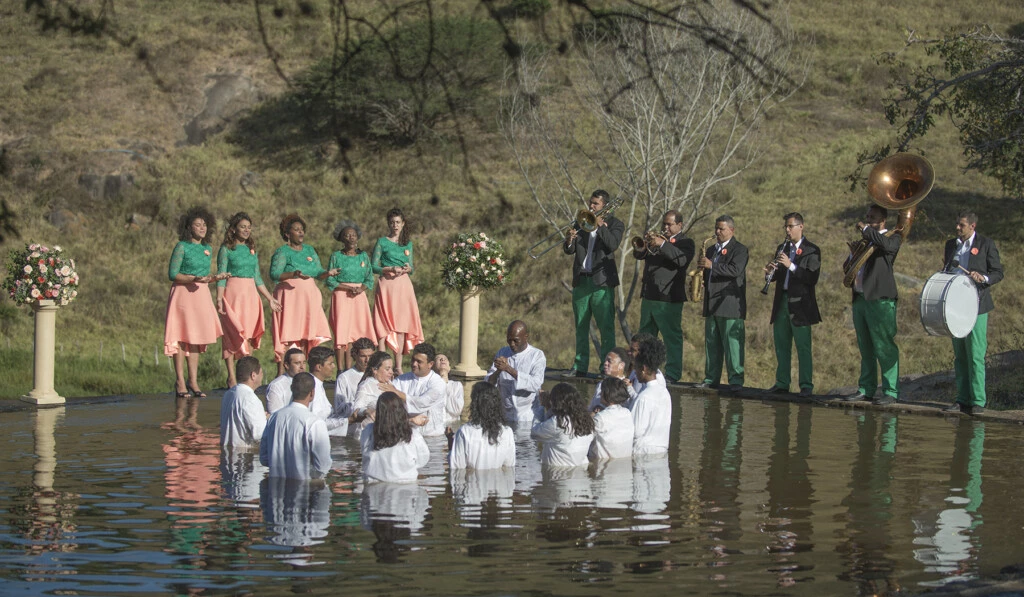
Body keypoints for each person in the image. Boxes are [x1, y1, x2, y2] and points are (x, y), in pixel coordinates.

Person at [941, 211, 1003, 416]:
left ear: (972, 226)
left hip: (977, 306)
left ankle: (977, 401)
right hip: (954, 306)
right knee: (960, 356)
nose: (957, 228)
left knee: (975, 355)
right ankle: (962, 399)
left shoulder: (986, 244)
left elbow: (997, 272)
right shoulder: (952, 245)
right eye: (957, 224)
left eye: (962, 225)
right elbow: (946, 268)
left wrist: (983, 278)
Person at [164, 206, 228, 399]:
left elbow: (204, 277)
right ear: (189, 227)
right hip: (183, 294)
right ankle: (180, 381)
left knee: (195, 338)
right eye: (197, 224)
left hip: (201, 294)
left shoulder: (207, 249)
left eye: (204, 224)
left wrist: (216, 278)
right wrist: (192, 279)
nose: (202, 227)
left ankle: (193, 380)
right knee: (182, 336)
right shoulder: (181, 246)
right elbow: (173, 274)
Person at [562, 190, 624, 377]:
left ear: (604, 205)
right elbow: (569, 250)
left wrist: (600, 228)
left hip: (602, 282)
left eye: (596, 204)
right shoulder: (582, 223)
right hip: (582, 280)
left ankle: (607, 368)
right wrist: (569, 240)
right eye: (591, 203)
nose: (591, 207)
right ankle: (580, 366)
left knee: (606, 328)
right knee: (581, 326)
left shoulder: (615, 224)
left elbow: (613, 244)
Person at [843, 205, 901, 405]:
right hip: (860, 299)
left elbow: (889, 247)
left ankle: (891, 390)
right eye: (867, 217)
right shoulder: (865, 241)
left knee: (884, 346)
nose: (868, 220)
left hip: (880, 300)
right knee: (865, 346)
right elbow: (847, 268)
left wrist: (867, 231)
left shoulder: (893, 237)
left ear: (883, 220)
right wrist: (853, 255)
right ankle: (866, 388)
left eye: (873, 217)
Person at [216, 212, 282, 388]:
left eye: (249, 227)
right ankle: (231, 377)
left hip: (250, 295)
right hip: (233, 293)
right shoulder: (226, 249)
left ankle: (246, 377)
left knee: (249, 335)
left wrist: (269, 298)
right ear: (234, 229)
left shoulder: (251, 250)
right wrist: (219, 297)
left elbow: (257, 277)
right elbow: (221, 275)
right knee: (232, 333)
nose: (246, 230)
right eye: (243, 226)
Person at [269, 214, 338, 376]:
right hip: (290, 299)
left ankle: (308, 374)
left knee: (308, 336)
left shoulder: (309, 250)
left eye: (302, 230)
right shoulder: (282, 251)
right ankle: (282, 375)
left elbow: (318, 272)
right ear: (287, 234)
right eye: (296, 230)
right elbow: (274, 274)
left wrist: (328, 273)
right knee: (289, 335)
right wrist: (293, 273)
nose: (301, 233)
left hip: (309, 299)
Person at [632, 210, 695, 383]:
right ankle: (643, 370)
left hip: (669, 298)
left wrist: (662, 245)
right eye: (664, 224)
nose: (665, 227)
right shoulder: (658, 240)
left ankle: (673, 374)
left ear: (679, 225)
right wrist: (644, 244)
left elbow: (681, 260)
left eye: (669, 224)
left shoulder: (686, 242)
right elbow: (638, 254)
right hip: (649, 295)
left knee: (671, 337)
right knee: (645, 337)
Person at [764, 213, 821, 397]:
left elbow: (811, 278)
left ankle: (806, 385)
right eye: (785, 227)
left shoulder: (812, 250)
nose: (787, 230)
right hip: (782, 302)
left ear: (801, 226)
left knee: (803, 347)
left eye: (790, 226)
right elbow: (780, 276)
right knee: (782, 345)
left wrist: (791, 266)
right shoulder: (782, 247)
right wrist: (770, 274)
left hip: (801, 305)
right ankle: (782, 382)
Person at [696, 215, 748, 390]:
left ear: (731, 230)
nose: (717, 232)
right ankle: (711, 378)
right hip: (712, 303)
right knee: (712, 345)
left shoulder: (740, 250)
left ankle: (735, 380)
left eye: (721, 229)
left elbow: (735, 270)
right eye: (716, 228)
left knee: (733, 345)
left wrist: (712, 266)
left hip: (730, 304)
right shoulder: (710, 250)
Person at [371, 207, 424, 374]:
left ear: (403, 224)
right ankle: (381, 363)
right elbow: (374, 266)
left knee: (400, 326)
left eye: (398, 222)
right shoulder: (382, 242)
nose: (395, 225)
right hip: (387, 284)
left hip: (403, 286)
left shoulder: (407, 243)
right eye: (392, 222)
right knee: (383, 325)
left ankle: (398, 366)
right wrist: (389, 269)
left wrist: (409, 268)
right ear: (388, 223)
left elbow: (412, 267)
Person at [260, 372, 332, 479]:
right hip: (304, 489)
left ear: (291, 389)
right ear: (312, 393)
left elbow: (264, 458)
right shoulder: (315, 422)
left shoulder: (273, 418)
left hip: (275, 490)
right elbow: (323, 466)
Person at [326, 221, 375, 372]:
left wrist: (361, 289)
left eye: (353, 235)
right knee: (342, 331)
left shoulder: (363, 256)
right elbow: (330, 279)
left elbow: (370, 277)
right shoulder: (336, 256)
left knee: (358, 331)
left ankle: (356, 368)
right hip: (342, 295)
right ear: (342, 239)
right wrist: (347, 287)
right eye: (347, 235)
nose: (351, 238)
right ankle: (340, 369)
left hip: (359, 296)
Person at [486, 320, 547, 426]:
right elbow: (488, 383)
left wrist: (508, 369)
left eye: (516, 340)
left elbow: (535, 384)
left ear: (526, 337)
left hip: (528, 418)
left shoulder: (537, 355)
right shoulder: (502, 352)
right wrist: (499, 370)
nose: (512, 344)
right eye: (509, 340)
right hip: (505, 417)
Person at [361, 392, 430, 483]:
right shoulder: (413, 434)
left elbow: (364, 451)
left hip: (374, 483)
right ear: (401, 410)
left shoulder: (369, 430)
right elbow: (423, 459)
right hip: (406, 483)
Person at [447, 383, 515, 470]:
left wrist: (451, 445)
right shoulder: (507, 432)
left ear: (474, 404)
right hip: (498, 482)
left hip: (472, 482)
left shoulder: (465, 432)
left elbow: (457, 469)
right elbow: (509, 468)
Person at [531, 382, 595, 468]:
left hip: (558, 474)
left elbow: (535, 432)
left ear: (557, 402)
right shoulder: (588, 420)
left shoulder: (558, 422)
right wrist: (548, 406)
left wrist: (541, 406)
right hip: (581, 472)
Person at [392, 343, 447, 437]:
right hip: (407, 435)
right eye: (413, 360)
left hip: (433, 437)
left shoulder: (438, 383)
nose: (414, 364)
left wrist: (397, 393)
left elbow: (423, 402)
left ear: (430, 364)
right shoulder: (401, 380)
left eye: (419, 361)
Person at [629, 336, 671, 456]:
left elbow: (636, 432)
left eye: (636, 368)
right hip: (662, 452)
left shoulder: (644, 397)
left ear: (643, 369)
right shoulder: (665, 393)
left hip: (642, 453)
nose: (635, 372)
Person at [350, 351, 404, 435]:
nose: (391, 372)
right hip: (367, 435)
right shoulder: (366, 386)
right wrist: (367, 411)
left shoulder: (390, 384)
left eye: (391, 368)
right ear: (375, 370)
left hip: (388, 434)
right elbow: (356, 410)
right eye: (387, 369)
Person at [219, 356, 267, 449]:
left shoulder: (229, 394)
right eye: (261, 373)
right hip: (244, 457)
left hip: (227, 455)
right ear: (253, 375)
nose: (262, 376)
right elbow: (259, 435)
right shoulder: (250, 399)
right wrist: (267, 420)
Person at [589, 377, 634, 460]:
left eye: (601, 391)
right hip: (625, 466)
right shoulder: (627, 413)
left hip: (603, 467)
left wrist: (592, 415)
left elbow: (583, 436)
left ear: (606, 394)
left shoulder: (600, 417)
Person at [333, 337, 376, 419]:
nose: (367, 360)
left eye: (370, 356)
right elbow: (339, 409)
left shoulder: (379, 375)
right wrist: (361, 408)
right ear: (355, 355)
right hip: (355, 427)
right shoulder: (344, 378)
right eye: (363, 356)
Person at [588, 347, 635, 411]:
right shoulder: (601, 384)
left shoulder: (627, 387)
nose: (605, 363)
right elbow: (591, 407)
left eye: (609, 361)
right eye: (605, 361)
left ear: (621, 365)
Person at [266, 347, 306, 414]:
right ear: (287, 365)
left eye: (304, 363)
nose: (302, 367)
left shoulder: (309, 382)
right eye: (297, 363)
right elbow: (276, 416)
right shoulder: (276, 386)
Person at [306, 345, 336, 422]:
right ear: (319, 367)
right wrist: (347, 421)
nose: (334, 366)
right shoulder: (313, 387)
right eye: (330, 364)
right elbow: (316, 421)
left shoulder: (318, 384)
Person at [434, 353, 465, 425]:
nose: (442, 359)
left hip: (452, 426)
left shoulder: (457, 385)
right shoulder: (429, 384)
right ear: (432, 366)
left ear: (449, 367)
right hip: (434, 427)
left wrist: (445, 384)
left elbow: (456, 410)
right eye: (439, 359)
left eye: (445, 358)